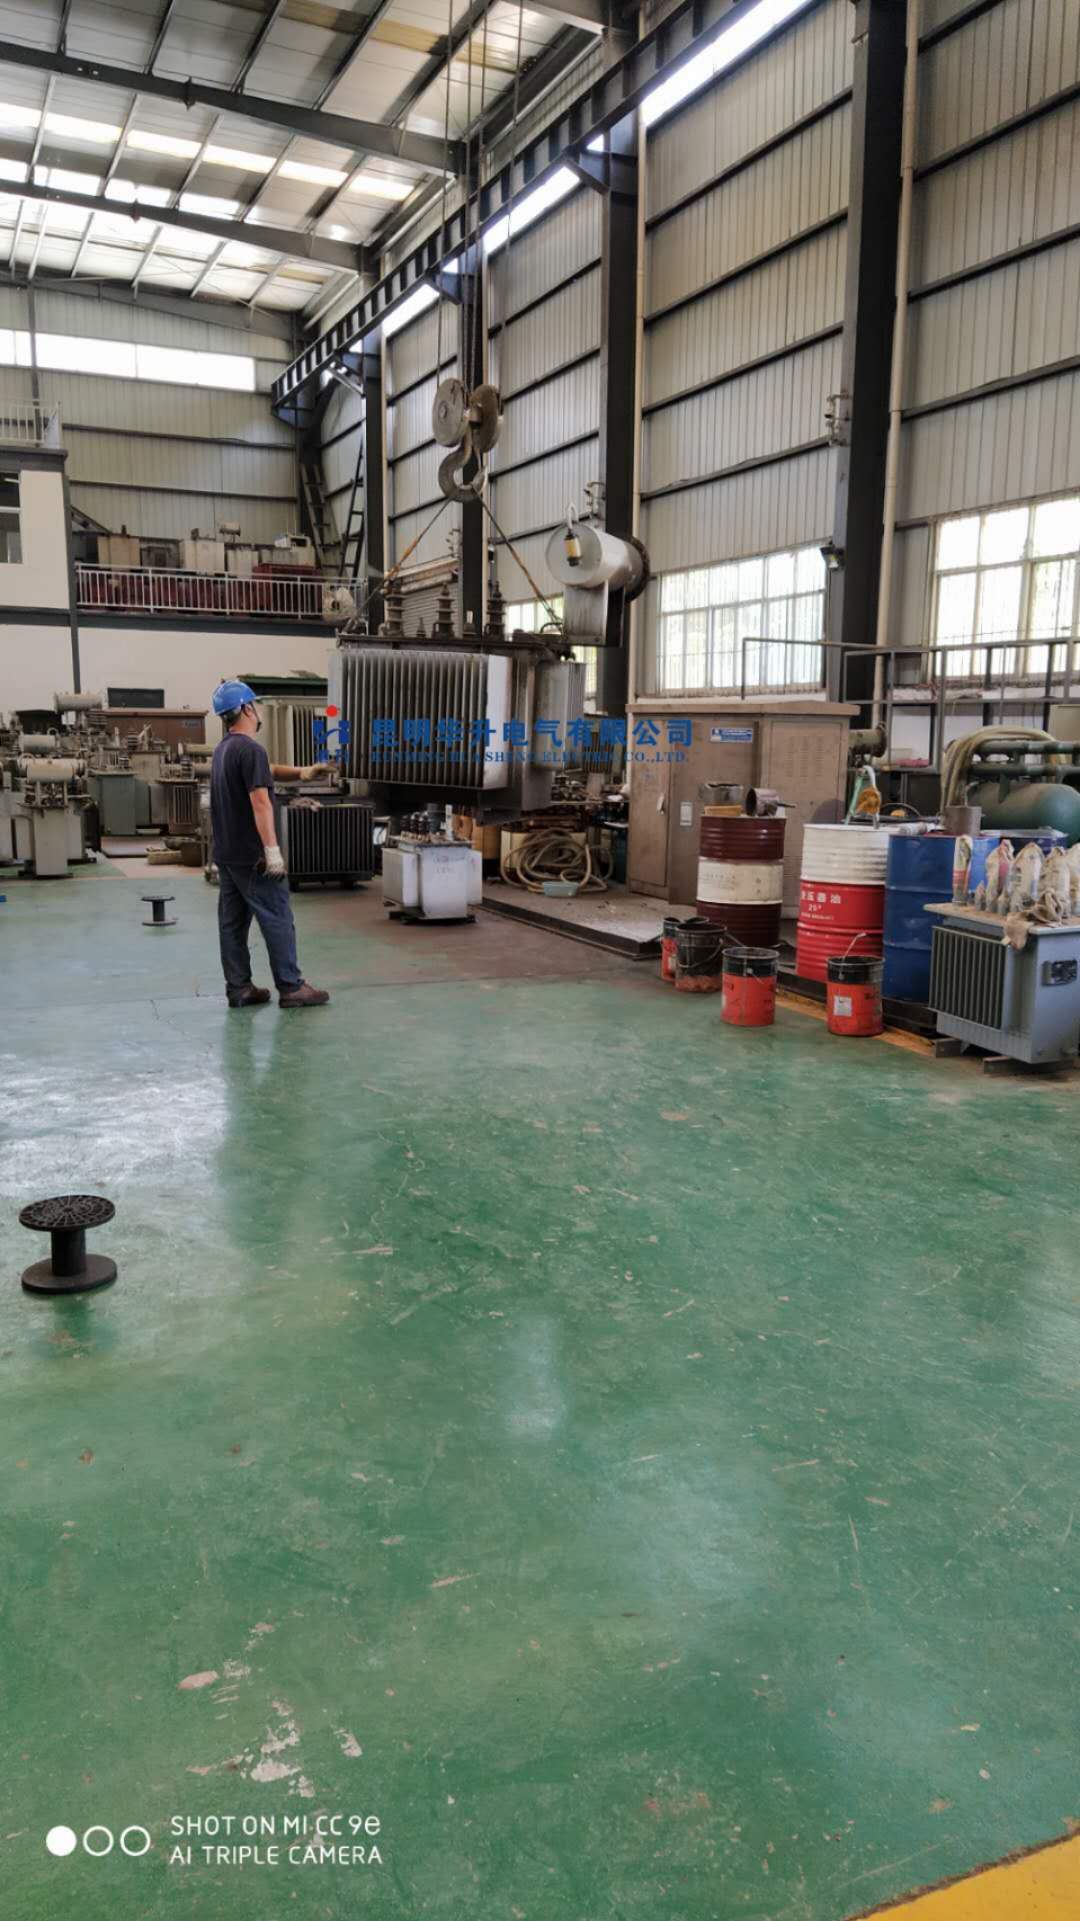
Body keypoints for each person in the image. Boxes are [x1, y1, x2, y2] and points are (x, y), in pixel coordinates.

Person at [209, 679, 330, 1009]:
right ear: (247, 708)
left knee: (232, 924)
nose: (259, 710)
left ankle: (239, 988)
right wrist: (272, 851)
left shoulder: (224, 750)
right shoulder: (251, 750)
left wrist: (304, 772)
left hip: (228, 855)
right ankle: (291, 986)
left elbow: (267, 770)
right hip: (254, 856)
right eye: (256, 704)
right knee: (277, 916)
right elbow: (260, 802)